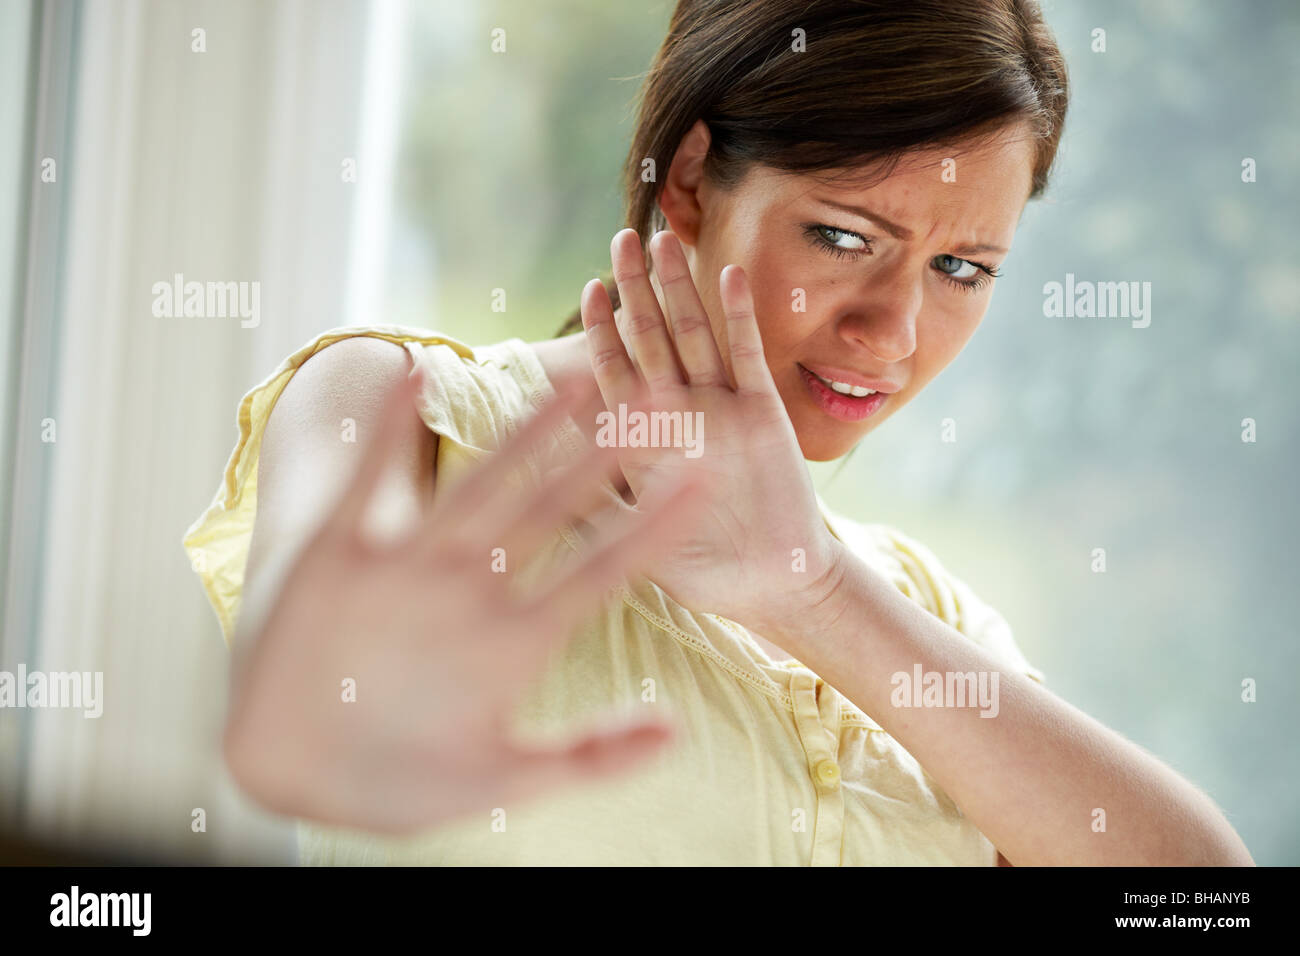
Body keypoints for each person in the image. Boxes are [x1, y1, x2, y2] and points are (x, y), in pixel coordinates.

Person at [183, 0, 1254, 865]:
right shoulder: (402, 412)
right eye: (842, 235)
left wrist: (817, 591)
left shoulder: (923, 612)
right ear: (690, 180)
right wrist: (328, 712)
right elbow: (307, 691)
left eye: (961, 268)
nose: (893, 330)